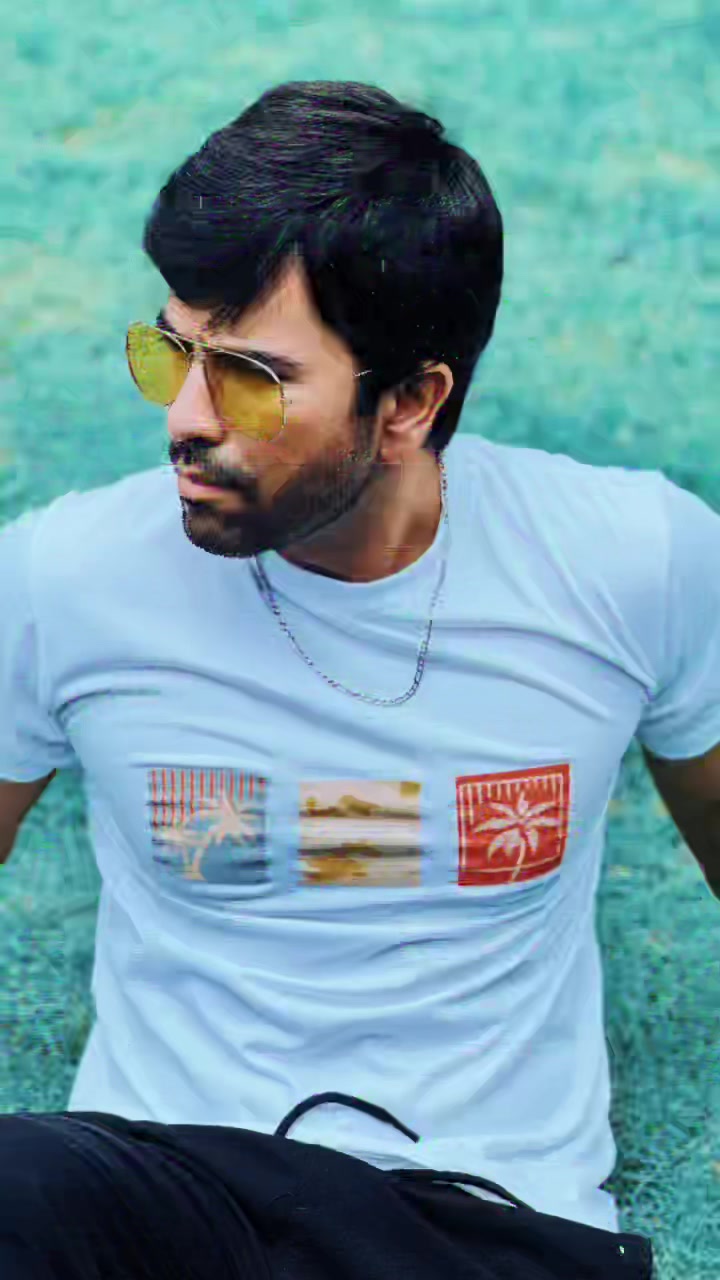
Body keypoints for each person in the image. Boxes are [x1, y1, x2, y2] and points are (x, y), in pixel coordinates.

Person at [4, 76, 718, 1280]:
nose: (184, 418)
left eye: (248, 377)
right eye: (170, 352)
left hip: (485, 1216)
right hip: (167, 1186)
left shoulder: (633, 561)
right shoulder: (63, 577)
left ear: (411, 403)